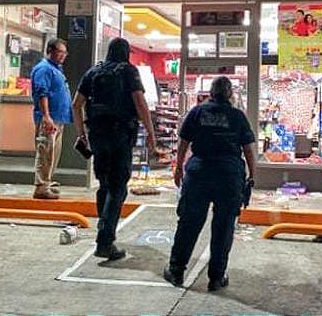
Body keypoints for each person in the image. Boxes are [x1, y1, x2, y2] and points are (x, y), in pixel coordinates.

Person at [163, 76, 257, 292]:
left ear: (210, 94)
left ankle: (176, 271)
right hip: (229, 175)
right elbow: (248, 149)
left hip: (199, 174)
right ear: (230, 94)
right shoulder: (237, 116)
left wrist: (179, 168)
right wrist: (252, 176)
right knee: (224, 227)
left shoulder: (197, 112)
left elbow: (183, 143)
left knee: (189, 222)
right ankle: (216, 277)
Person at [73, 37, 156, 261]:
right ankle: (105, 241)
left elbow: (76, 104)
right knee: (118, 187)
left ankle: (104, 230)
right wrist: (151, 132)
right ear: (126, 52)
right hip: (120, 135)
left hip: (97, 135)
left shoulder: (93, 72)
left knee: (105, 184)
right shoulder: (129, 71)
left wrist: (82, 134)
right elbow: (140, 103)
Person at [30, 38, 73, 200]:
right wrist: (46, 116)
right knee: (45, 151)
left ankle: (47, 184)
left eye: (64, 53)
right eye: (60, 52)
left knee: (53, 152)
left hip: (58, 117)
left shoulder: (56, 69)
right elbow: (42, 93)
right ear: (50, 50)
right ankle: (41, 186)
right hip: (49, 118)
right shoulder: (44, 69)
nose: (63, 55)